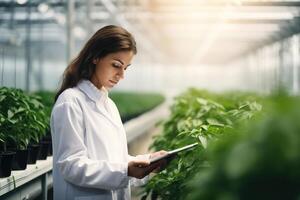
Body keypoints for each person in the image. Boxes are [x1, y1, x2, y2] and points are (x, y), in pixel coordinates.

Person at [50, 25, 169, 200]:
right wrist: (125, 170)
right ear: (96, 57)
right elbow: (71, 166)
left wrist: (146, 160)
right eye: (116, 65)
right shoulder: (70, 102)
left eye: (126, 68)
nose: (121, 75)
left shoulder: (109, 105)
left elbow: (113, 159)